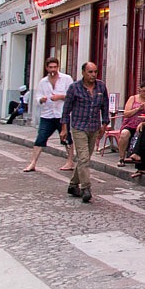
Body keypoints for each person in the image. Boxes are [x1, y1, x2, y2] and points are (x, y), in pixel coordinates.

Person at [61, 62, 110, 203]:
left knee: (85, 158)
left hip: (94, 127)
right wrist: (64, 128)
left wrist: (104, 124)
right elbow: (66, 109)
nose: (93, 75)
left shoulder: (101, 86)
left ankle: (72, 185)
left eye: (95, 72)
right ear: (83, 72)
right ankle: (86, 188)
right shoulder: (74, 88)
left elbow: (105, 106)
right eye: (90, 72)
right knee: (83, 157)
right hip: (79, 126)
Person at [22, 58, 74, 172]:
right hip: (47, 115)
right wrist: (42, 99)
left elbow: (72, 95)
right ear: (47, 68)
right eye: (51, 67)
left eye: (55, 67)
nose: (53, 70)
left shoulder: (66, 79)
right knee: (40, 138)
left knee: (66, 138)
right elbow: (37, 97)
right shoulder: (43, 82)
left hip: (62, 114)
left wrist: (60, 97)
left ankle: (70, 162)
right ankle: (33, 163)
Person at [116, 82, 145, 166]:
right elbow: (126, 114)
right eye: (143, 91)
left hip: (144, 124)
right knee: (124, 134)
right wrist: (138, 109)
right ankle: (121, 158)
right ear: (139, 90)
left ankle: (138, 157)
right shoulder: (133, 98)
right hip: (131, 124)